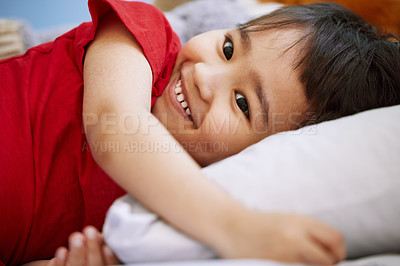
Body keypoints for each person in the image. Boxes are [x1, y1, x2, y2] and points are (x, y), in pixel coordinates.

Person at [1, 0, 399, 265]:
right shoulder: (146, 40)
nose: (205, 76)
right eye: (228, 47)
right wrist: (237, 227)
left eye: (243, 103)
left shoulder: (151, 221)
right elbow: (112, 124)